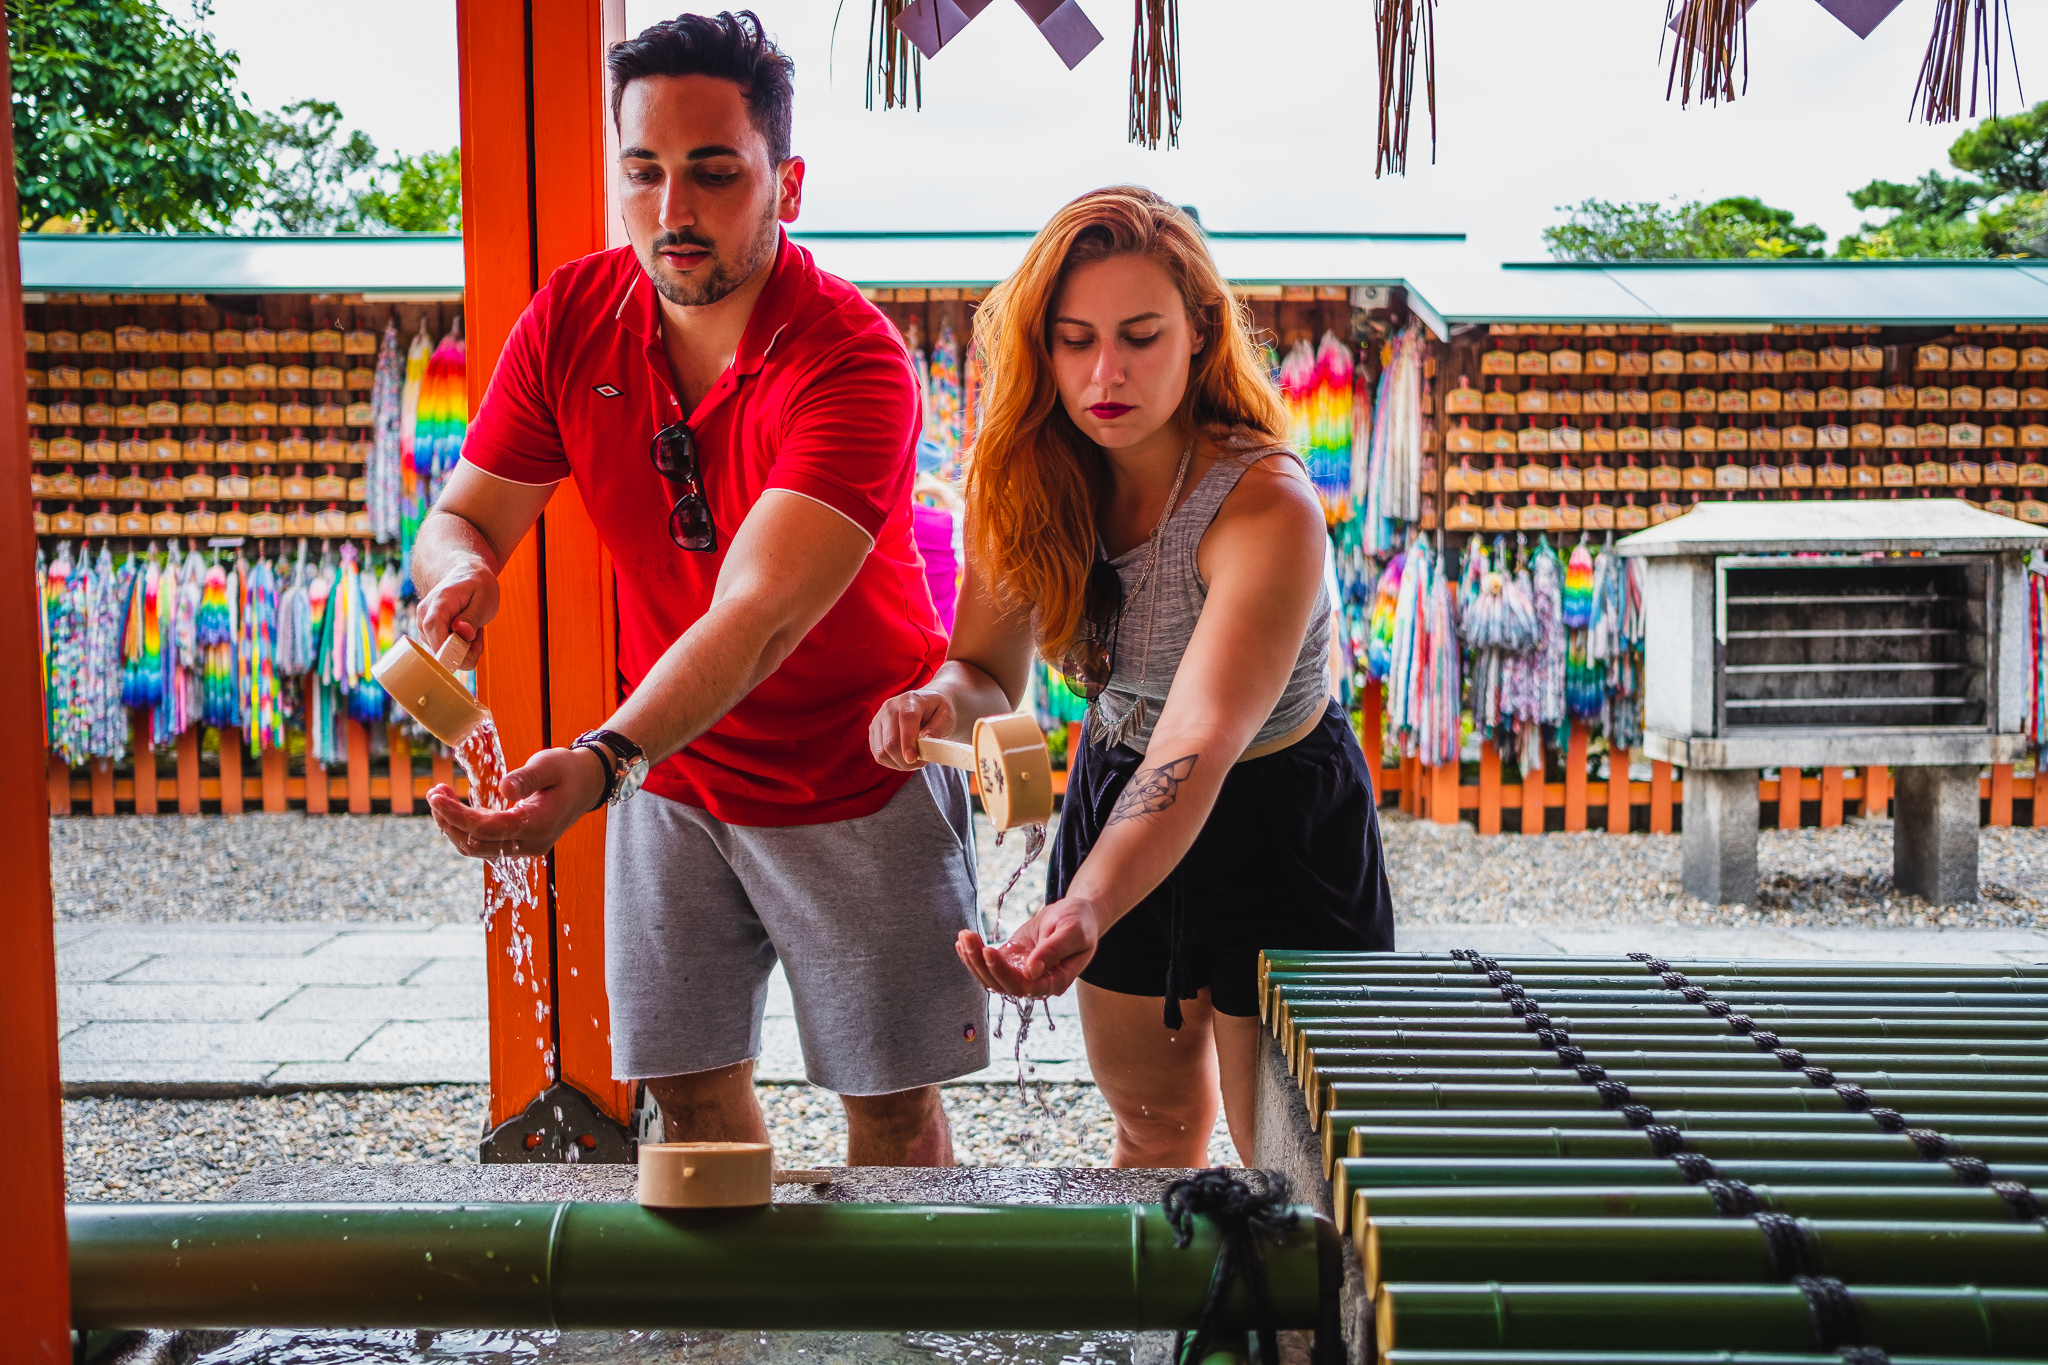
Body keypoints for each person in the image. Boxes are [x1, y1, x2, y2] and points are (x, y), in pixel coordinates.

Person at [415, 11, 985, 1165]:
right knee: (685, 1091)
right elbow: (463, 514)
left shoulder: (852, 360)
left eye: (714, 173)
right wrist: (458, 575)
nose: (673, 212)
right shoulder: (572, 318)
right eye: (645, 172)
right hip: (673, 775)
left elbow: (759, 613)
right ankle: (734, 1343)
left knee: (886, 1105)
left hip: (856, 767)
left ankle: (896, 1347)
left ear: (788, 184)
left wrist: (603, 762)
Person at [869, 187, 1395, 1167]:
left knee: (1296, 1160)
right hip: (1122, 784)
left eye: (1139, 336)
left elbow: (1200, 735)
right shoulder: (1018, 479)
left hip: (1275, 806)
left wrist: (1086, 901)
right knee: (1150, 1129)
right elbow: (985, 669)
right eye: (1073, 340)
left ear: (1199, 334)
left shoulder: (1264, 506)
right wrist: (938, 702)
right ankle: (1171, 1321)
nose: (1103, 373)